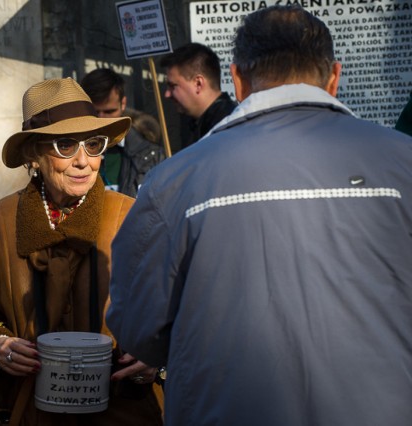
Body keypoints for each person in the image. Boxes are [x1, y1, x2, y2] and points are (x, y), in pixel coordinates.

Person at [107, 5, 412, 426]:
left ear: (237, 79)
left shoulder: (173, 182)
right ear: (335, 77)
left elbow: (137, 325)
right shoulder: (404, 163)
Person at [0, 78, 163, 425]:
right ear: (34, 154)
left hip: (125, 416)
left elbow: (177, 310)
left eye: (94, 145)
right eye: (65, 145)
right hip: (32, 414)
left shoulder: (131, 216)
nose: (84, 161)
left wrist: (156, 356)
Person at [80, 68, 165, 197]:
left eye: (109, 112)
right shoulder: (67, 153)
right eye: (95, 112)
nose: (102, 120)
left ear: (123, 103)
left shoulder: (150, 155)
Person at [160, 42, 237, 149]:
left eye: (173, 86)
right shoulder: (202, 124)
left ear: (198, 84)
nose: (167, 94)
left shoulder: (227, 127)